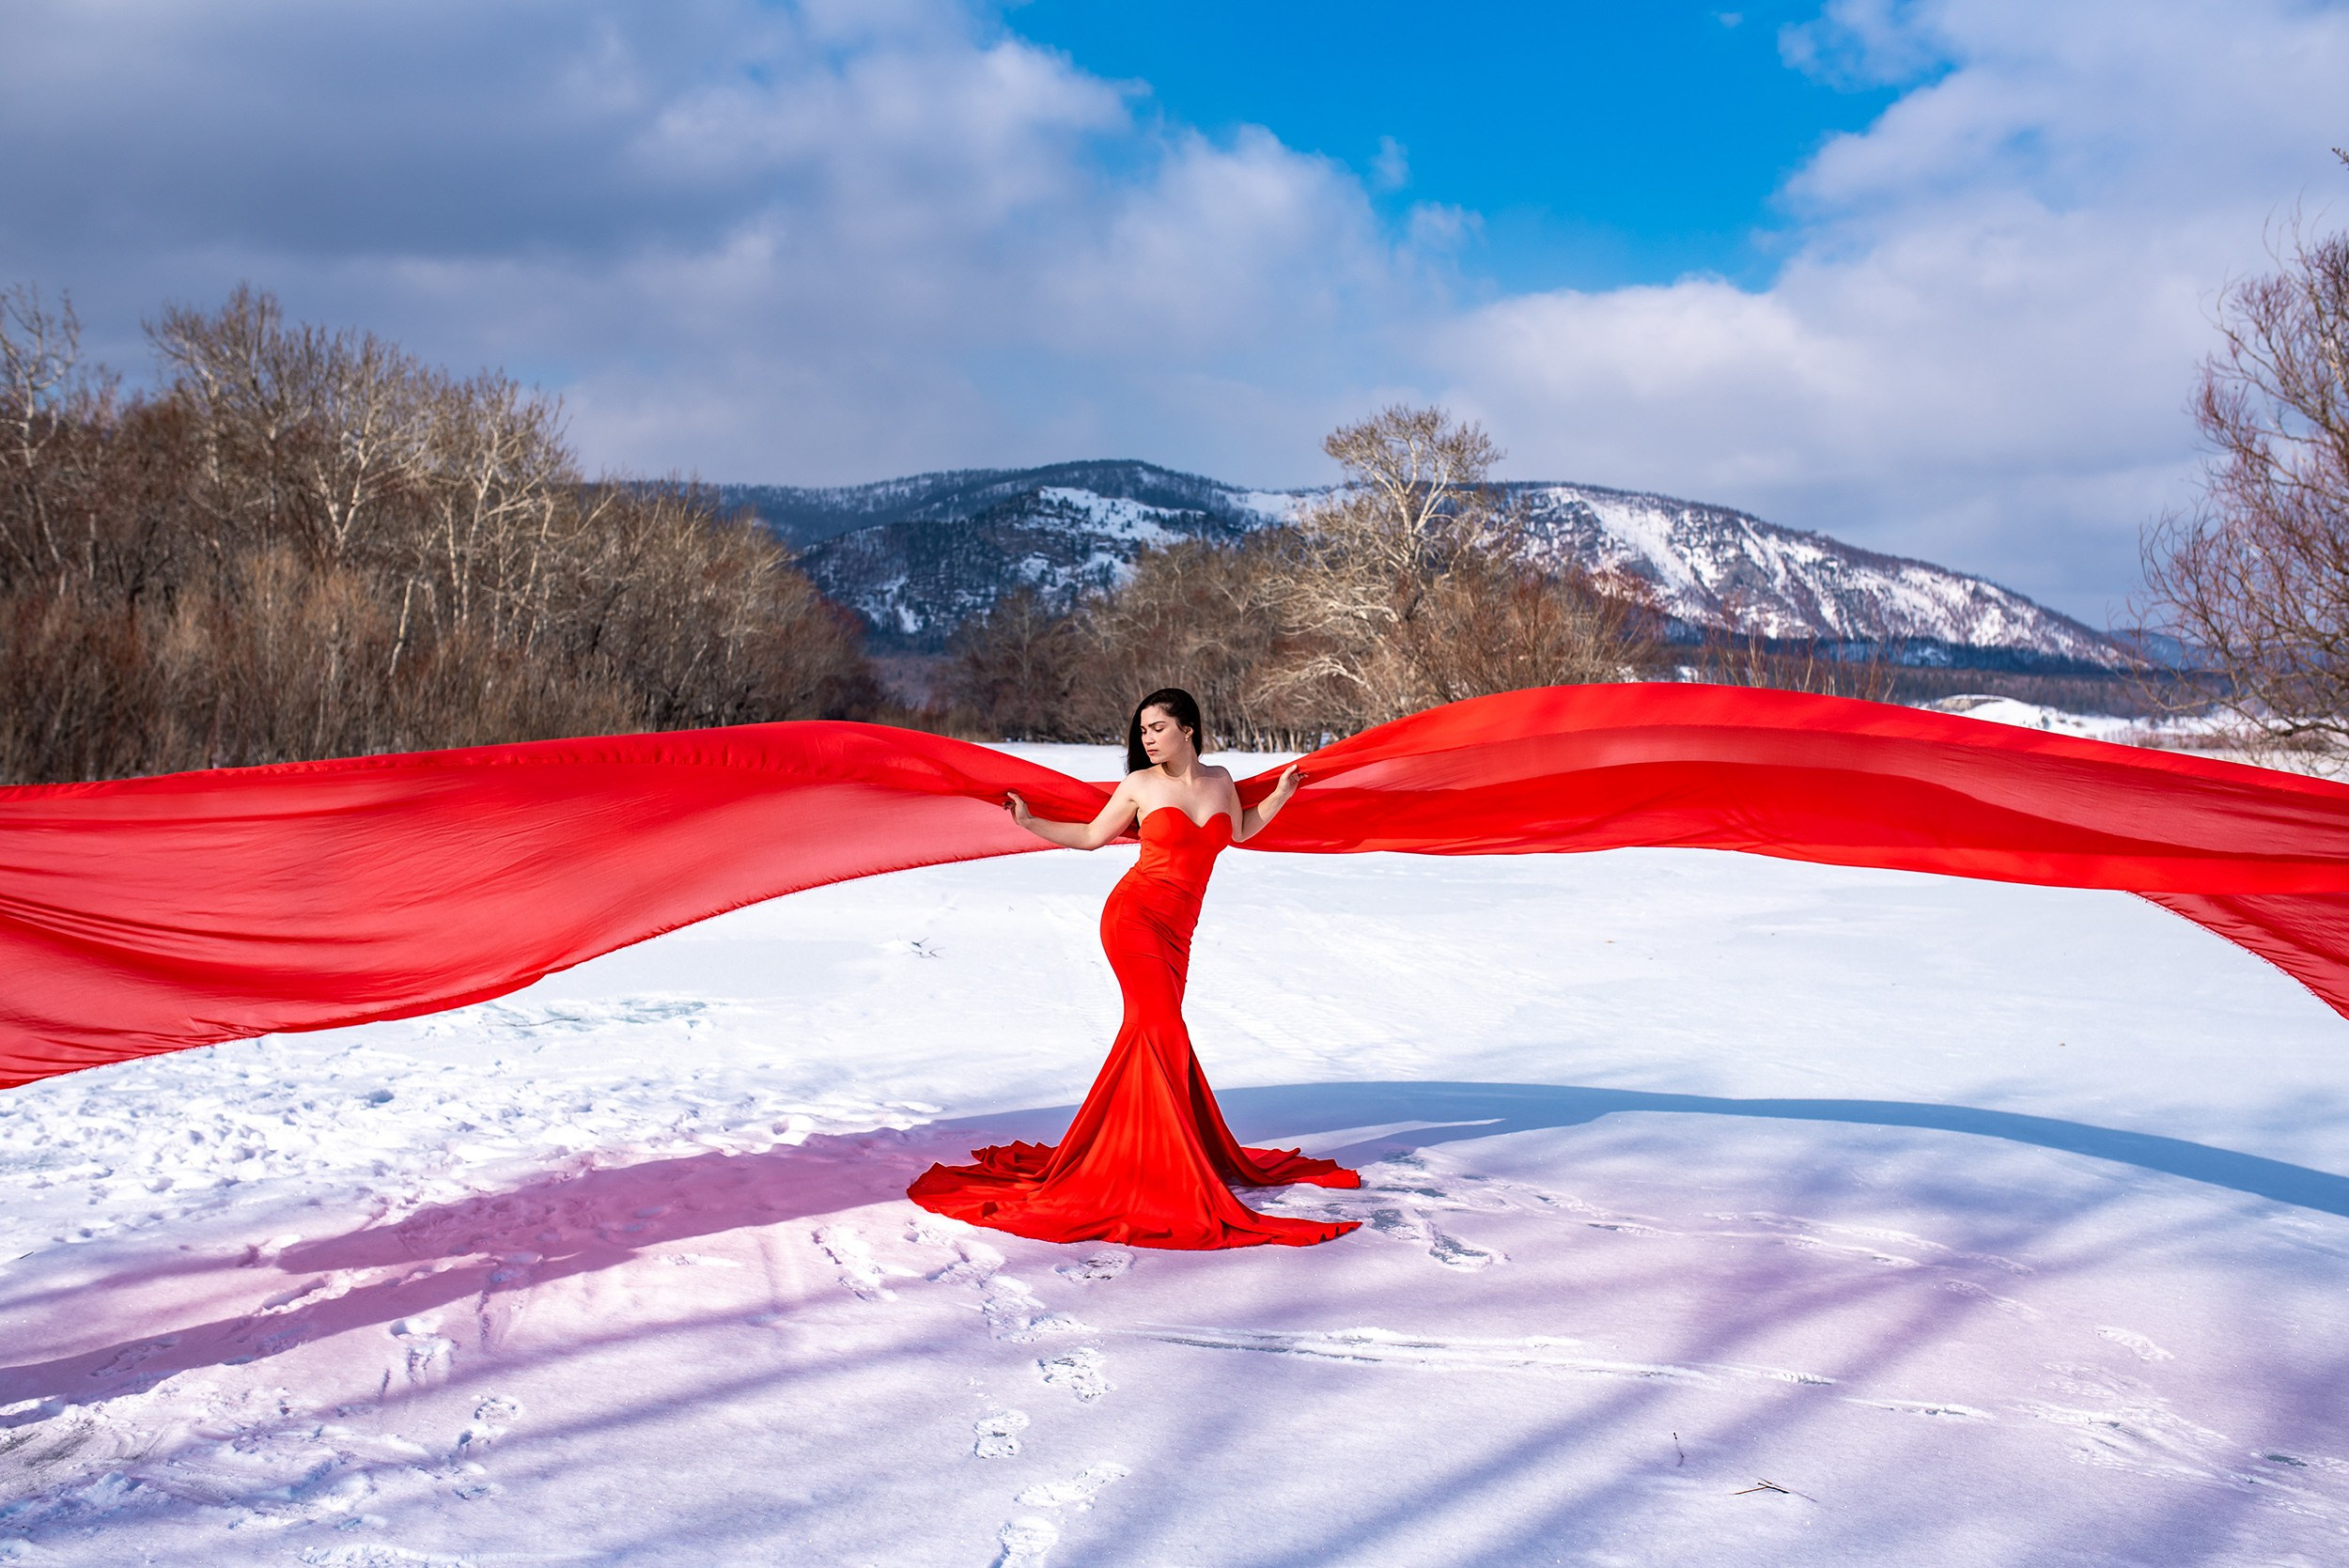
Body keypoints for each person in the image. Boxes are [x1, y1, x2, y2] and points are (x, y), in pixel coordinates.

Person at [907, 688, 1361, 1249]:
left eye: (1157, 728)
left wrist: (1284, 793)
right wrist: (1029, 821)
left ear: (1188, 728)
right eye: (1142, 730)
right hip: (1135, 918)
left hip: (1179, 933)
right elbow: (1092, 837)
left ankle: (1135, 1146)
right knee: (1160, 1027)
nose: (1146, 738)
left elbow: (1240, 830)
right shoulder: (1141, 786)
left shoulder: (1220, 782)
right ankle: (1159, 1160)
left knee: (1154, 1033)